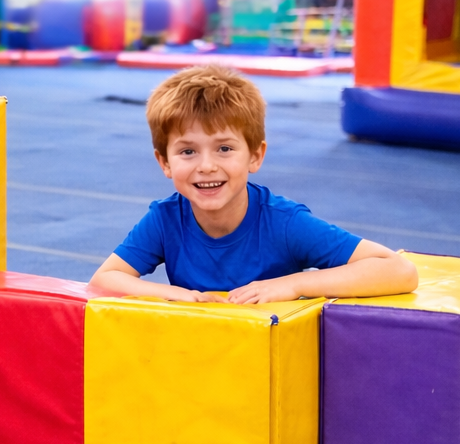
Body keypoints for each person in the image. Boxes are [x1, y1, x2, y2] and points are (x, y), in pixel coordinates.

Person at [89, 64, 418, 303]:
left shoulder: (284, 223)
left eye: (224, 149)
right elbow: (105, 279)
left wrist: (293, 285)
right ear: (164, 162)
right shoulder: (165, 220)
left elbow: (399, 270)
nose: (206, 166)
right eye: (188, 151)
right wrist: (174, 294)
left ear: (255, 157)